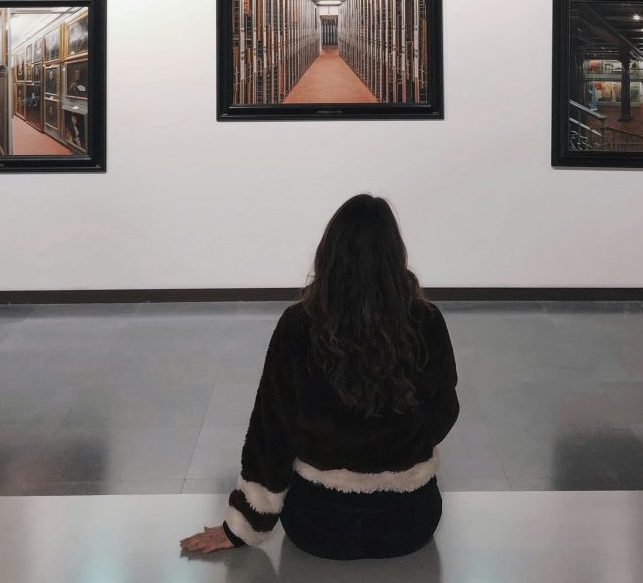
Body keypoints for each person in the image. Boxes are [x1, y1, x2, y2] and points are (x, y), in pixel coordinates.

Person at [180, 194, 459, 561]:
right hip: (408, 523)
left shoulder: (298, 326)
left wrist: (242, 526)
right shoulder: (426, 322)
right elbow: (445, 410)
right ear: (395, 254)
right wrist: (399, 446)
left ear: (329, 254)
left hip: (321, 525)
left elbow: (271, 432)